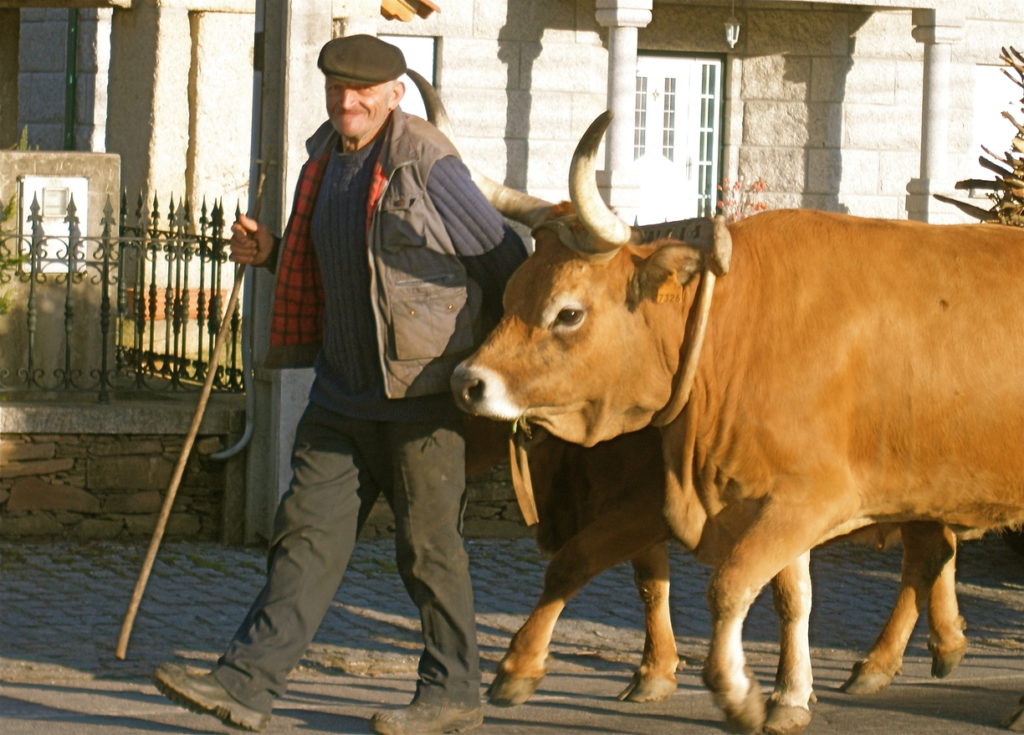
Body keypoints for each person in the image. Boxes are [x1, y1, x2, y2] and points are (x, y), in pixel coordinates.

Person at [153, 34, 527, 735]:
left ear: (394, 94)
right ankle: (245, 683)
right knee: (304, 538)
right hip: (342, 395)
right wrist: (269, 253)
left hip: (419, 397)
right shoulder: (322, 160)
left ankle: (452, 692)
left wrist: (499, 368)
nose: (347, 102)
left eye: (362, 91)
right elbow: (328, 259)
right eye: (337, 90)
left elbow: (505, 258)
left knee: (429, 551)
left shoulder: (426, 161)